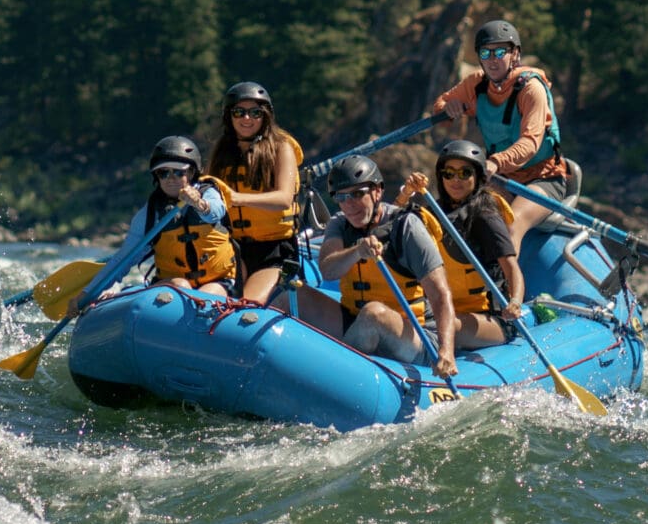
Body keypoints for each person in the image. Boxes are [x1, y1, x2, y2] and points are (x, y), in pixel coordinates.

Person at [312, 156, 467, 376]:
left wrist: (446, 352)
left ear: (377, 191)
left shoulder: (406, 226)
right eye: (341, 197)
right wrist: (356, 251)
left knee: (373, 314)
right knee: (291, 297)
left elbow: (440, 294)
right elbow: (328, 270)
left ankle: (331, 376)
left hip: (417, 334)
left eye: (357, 194)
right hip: (356, 320)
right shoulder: (339, 223)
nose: (349, 204)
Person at [396, 138, 518, 350]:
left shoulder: (486, 216)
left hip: (490, 319)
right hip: (445, 311)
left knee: (445, 326)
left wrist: (515, 301)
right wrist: (406, 194)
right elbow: (391, 225)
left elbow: (512, 268)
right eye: (449, 173)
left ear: (478, 176)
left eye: (464, 173)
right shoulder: (434, 211)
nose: (455, 180)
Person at [429, 18, 573, 195]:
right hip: (502, 176)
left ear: (514, 54)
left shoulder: (531, 88)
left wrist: (495, 162)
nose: (492, 60)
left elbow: (530, 143)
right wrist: (448, 107)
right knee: (463, 214)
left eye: (499, 52)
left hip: (543, 176)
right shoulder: (477, 83)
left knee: (511, 224)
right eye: (485, 53)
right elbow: (440, 106)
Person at [205, 80, 304, 305]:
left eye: (255, 113)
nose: (246, 119)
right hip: (231, 248)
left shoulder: (281, 148)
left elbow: (284, 198)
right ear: (229, 116)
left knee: (248, 302)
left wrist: (237, 198)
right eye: (239, 112)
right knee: (207, 299)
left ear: (265, 115)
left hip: (274, 250)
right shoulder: (222, 153)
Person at [139, 133, 235, 294]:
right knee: (180, 286)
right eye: (163, 173)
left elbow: (216, 212)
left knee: (207, 294)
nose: (170, 179)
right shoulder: (151, 211)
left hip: (218, 282)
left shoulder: (209, 194)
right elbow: (127, 255)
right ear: (157, 176)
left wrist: (198, 203)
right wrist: (90, 292)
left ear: (191, 173)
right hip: (172, 283)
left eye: (178, 172)